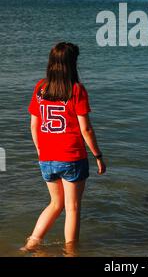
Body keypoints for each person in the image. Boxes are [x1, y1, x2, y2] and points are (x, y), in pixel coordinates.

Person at [22, 42, 106, 252]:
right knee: (73, 208)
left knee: (55, 204)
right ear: (72, 64)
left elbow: (33, 124)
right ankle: (70, 253)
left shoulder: (41, 87)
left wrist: (41, 151)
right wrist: (98, 156)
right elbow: (85, 129)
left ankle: (30, 245)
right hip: (71, 157)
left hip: (46, 158)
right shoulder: (76, 90)